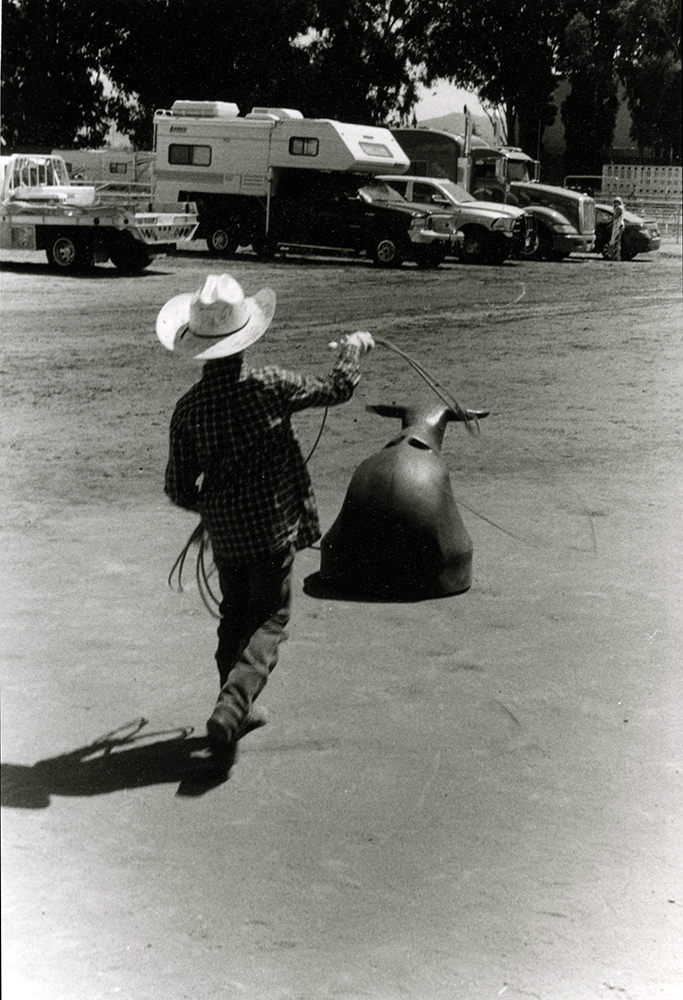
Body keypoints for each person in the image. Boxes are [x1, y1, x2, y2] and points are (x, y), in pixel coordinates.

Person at [156, 273, 374, 776]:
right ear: (243, 336)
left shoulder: (188, 410)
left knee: (235, 616)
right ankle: (234, 705)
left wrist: (210, 511)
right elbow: (337, 389)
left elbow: (178, 486)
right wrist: (355, 350)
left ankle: (234, 706)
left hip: (227, 538)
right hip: (273, 528)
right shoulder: (271, 384)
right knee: (271, 618)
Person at [603, 197, 626, 261]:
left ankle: (617, 257)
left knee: (616, 242)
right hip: (618, 225)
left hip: (618, 226)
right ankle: (616, 256)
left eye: (617, 202)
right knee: (617, 242)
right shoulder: (619, 208)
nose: (616, 203)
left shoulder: (619, 209)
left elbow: (615, 217)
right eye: (615, 202)